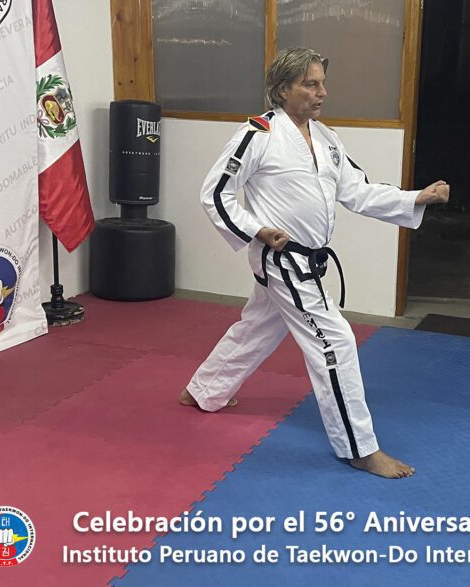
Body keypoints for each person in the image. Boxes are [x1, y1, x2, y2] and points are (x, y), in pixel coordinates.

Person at [179, 47, 449, 479]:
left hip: (309, 260)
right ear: (283, 89)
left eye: (322, 83)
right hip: (282, 259)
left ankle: (204, 391)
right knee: (335, 342)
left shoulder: (326, 139)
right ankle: (359, 447)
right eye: (310, 84)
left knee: (258, 326)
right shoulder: (258, 134)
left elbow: (358, 191)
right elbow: (215, 192)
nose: (322, 92)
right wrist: (256, 229)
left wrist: (416, 197)